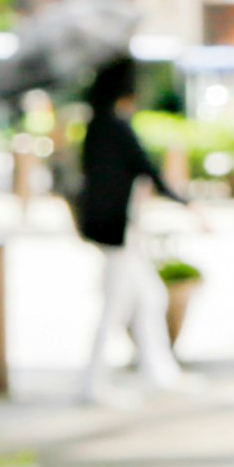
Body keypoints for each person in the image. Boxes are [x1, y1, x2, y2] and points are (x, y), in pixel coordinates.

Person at [71, 53, 189, 403]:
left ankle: (160, 372)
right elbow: (147, 169)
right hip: (118, 232)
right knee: (115, 309)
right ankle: (93, 383)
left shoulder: (96, 127)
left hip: (115, 231)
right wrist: (188, 203)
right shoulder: (115, 128)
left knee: (150, 298)